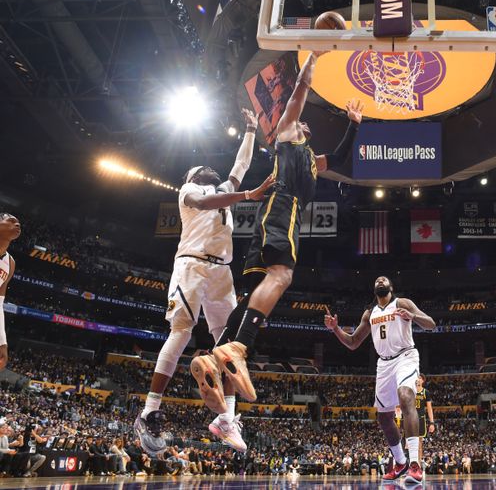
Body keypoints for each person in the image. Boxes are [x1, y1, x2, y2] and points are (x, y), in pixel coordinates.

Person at [196, 49, 364, 406]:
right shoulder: (288, 134)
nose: (305, 124)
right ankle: (240, 347)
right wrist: (314, 56)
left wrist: (354, 124)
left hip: (275, 214)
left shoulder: (312, 160)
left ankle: (214, 357)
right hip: (282, 208)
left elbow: (340, 157)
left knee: (259, 286)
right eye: (302, 122)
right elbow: (300, 91)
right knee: (282, 276)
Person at [135, 108, 275, 457]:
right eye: (203, 168)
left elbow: (239, 167)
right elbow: (208, 199)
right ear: (193, 176)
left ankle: (227, 418)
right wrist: (246, 196)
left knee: (227, 346)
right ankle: (149, 410)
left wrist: (250, 129)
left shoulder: (223, 189)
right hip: (192, 266)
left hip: (221, 272)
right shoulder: (190, 192)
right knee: (181, 333)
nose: (210, 168)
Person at [324, 276, 436, 485]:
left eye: (384, 279)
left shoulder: (402, 303)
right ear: (374, 289)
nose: (380, 280)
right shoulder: (370, 313)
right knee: (384, 418)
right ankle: (400, 462)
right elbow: (353, 342)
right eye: (377, 279)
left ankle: (414, 464)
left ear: (390, 287)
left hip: (406, 356)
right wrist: (335, 329)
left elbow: (431, 324)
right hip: (384, 364)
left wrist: (412, 315)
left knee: (405, 396)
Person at [0, 213, 21, 371]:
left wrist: (2, 343)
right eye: (11, 221)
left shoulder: (10, 263)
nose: (17, 224)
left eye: (18, 223)